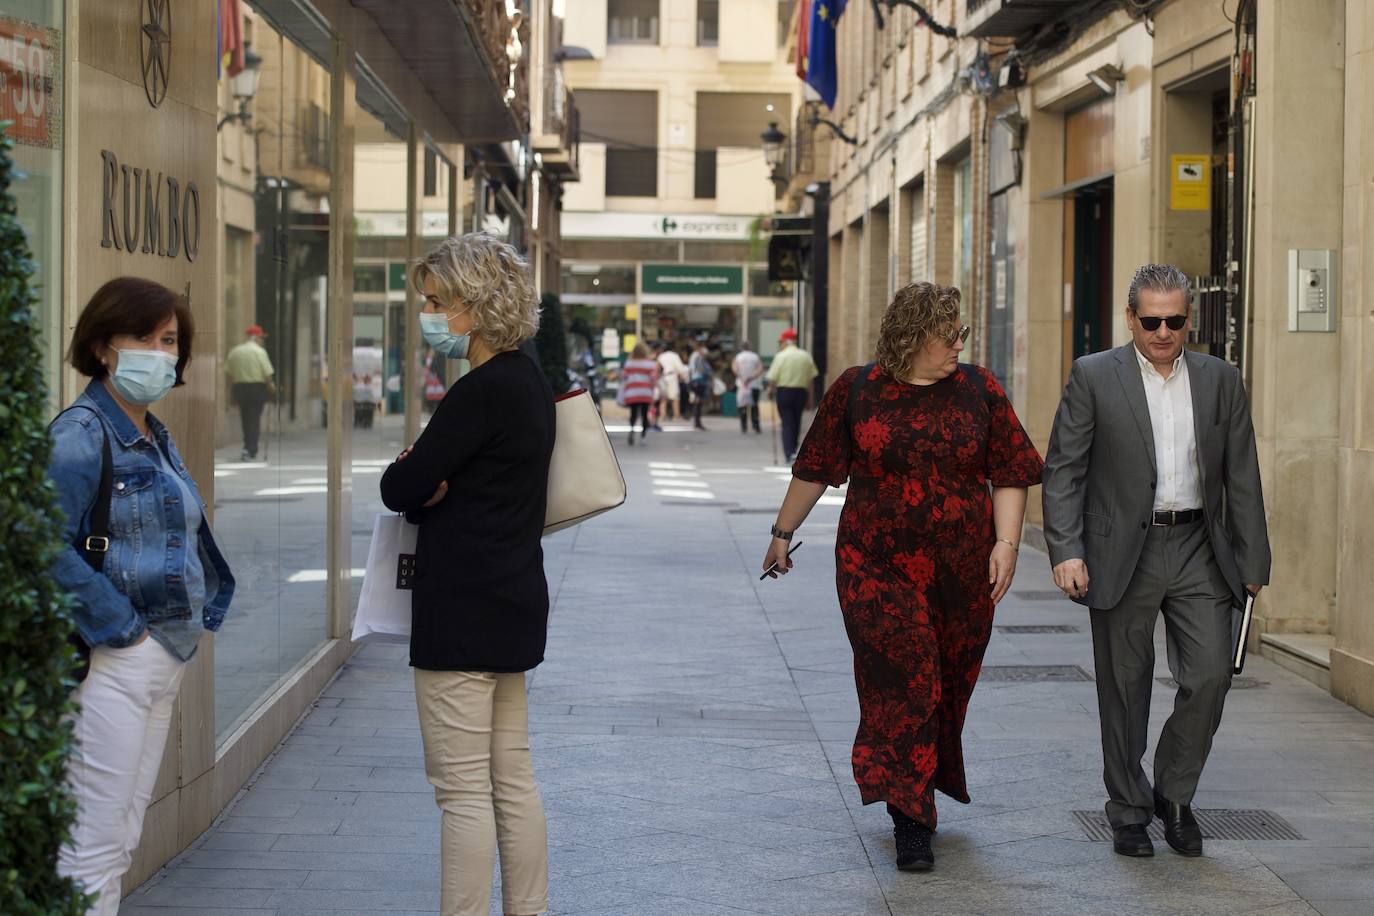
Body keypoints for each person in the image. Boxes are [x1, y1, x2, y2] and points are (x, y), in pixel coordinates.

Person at [761, 282, 1043, 872]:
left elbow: (1010, 469)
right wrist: (783, 533)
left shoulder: (980, 390)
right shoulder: (858, 389)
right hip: (875, 564)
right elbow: (816, 466)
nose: (958, 345)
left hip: (963, 571)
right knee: (907, 679)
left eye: (961, 334)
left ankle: (916, 786)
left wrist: (1008, 545)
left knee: (948, 685)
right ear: (913, 338)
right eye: (949, 336)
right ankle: (910, 817)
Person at [1042, 264, 1271, 860]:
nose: (1163, 332)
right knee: (1124, 686)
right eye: (1152, 321)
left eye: (1174, 321)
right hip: (1123, 551)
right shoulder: (1094, 376)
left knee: (1210, 675)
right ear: (1131, 318)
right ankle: (1127, 811)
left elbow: (1242, 474)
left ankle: (1174, 794)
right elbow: (1064, 469)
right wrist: (1065, 550)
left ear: (1188, 319)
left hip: (1200, 545)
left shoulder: (1221, 380)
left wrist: (1254, 562)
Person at [50, 277, 236, 914]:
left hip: (159, 659)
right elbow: (37, 544)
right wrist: (126, 630)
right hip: (113, 662)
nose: (161, 354)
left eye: (170, 341)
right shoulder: (81, 434)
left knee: (121, 839)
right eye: (146, 339)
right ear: (104, 347)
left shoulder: (151, 433)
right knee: (91, 846)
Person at [381, 233, 554, 916]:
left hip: (461, 612)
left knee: (460, 790)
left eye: (436, 301)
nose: (428, 314)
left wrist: (419, 473)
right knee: (512, 776)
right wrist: (430, 476)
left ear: (473, 306)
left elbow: (403, 486)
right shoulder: (529, 382)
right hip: (512, 601)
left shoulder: (478, 392)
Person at [765, 328, 818, 461]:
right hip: (801, 393)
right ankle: (794, 450)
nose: (780, 344)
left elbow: (772, 377)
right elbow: (811, 380)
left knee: (787, 422)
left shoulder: (781, 356)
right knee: (796, 421)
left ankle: (789, 453)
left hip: (784, 392)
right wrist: (810, 399)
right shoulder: (805, 356)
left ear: (786, 342)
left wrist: (770, 391)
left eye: (781, 342)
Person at [224, 324, 274, 460]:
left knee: (245, 419)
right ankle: (250, 449)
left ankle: (248, 447)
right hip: (257, 388)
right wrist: (271, 388)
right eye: (261, 338)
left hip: (240, 388)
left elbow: (229, 373)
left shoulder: (235, 351)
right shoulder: (260, 352)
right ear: (257, 337)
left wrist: (231, 391)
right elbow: (267, 374)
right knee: (254, 419)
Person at [619, 342, 658, 445]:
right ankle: (643, 435)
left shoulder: (629, 363)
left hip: (632, 392)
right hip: (645, 392)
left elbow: (624, 377)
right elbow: (653, 378)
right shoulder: (650, 364)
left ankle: (632, 429)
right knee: (645, 414)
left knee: (633, 413)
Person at [732, 340, 764, 434]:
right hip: (754, 385)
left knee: (742, 406)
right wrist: (751, 378)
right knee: (754, 405)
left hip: (741, 385)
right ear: (750, 347)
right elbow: (760, 368)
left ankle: (744, 425)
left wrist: (742, 377)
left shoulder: (738, 357)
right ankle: (756, 425)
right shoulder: (755, 356)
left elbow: (734, 368)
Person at [654, 340, 686, 421]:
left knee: (663, 398)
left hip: (663, 377)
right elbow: (680, 368)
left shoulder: (661, 356)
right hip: (672, 377)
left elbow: (657, 368)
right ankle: (676, 416)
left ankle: (662, 416)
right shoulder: (674, 355)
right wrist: (683, 376)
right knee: (674, 398)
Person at [688, 338, 713, 430]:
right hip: (699, 380)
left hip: (696, 380)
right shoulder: (698, 356)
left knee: (697, 401)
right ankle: (697, 422)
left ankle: (697, 421)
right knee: (699, 401)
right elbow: (701, 369)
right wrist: (709, 375)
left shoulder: (694, 356)